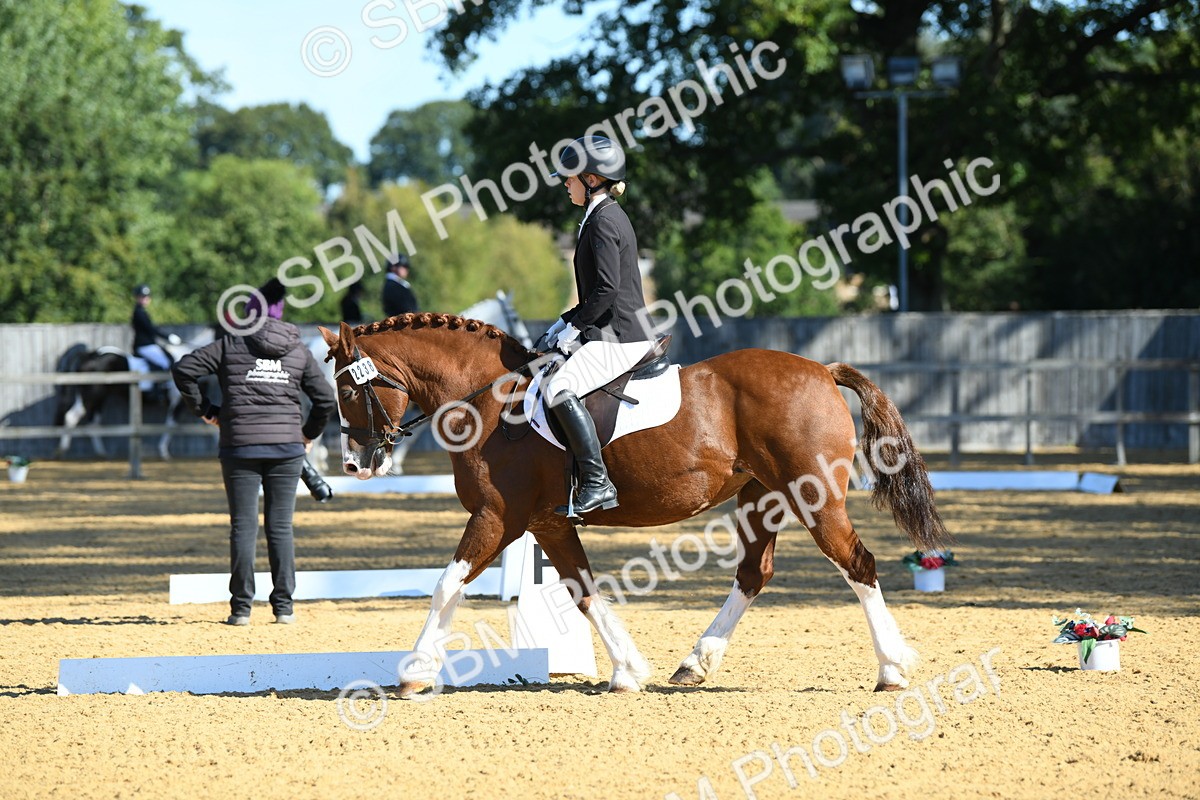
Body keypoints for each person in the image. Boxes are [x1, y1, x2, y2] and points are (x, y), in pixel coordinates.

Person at [172, 283, 335, 626]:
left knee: (243, 527)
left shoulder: (230, 344)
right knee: (280, 527)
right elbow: (325, 401)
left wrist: (207, 410)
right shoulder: (297, 348)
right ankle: (284, 608)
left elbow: (184, 369)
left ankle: (241, 609)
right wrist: (307, 434)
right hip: (287, 449)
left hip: (239, 445)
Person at [538, 135, 652, 517]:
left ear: (589, 179)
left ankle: (597, 481)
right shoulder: (600, 215)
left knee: (558, 386)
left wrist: (575, 331)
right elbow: (594, 295)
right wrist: (563, 322)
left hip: (620, 335)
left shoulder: (604, 220)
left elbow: (606, 290)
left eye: (568, 179)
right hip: (609, 330)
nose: (563, 184)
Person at [131, 284, 181, 371]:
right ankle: (165, 385)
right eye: (142, 296)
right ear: (137, 297)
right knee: (166, 363)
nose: (145, 299)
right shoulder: (139, 313)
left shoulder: (142, 311)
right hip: (145, 345)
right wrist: (168, 337)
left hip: (148, 345)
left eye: (147, 296)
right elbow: (151, 329)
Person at [382, 254, 418, 318]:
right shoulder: (393, 285)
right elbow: (405, 308)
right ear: (393, 267)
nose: (406, 270)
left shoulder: (397, 284)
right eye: (403, 266)